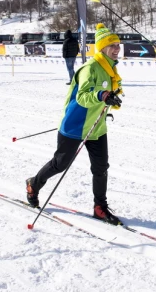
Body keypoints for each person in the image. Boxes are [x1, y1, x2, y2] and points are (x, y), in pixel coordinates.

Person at [26, 23, 123, 225]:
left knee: (101, 167)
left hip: (96, 127)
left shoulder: (111, 69)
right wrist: (102, 95)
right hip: (75, 126)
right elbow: (83, 97)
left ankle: (99, 207)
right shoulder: (90, 69)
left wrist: (113, 98)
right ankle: (34, 184)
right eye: (112, 45)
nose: (117, 48)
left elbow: (110, 92)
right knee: (59, 164)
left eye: (118, 45)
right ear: (102, 47)